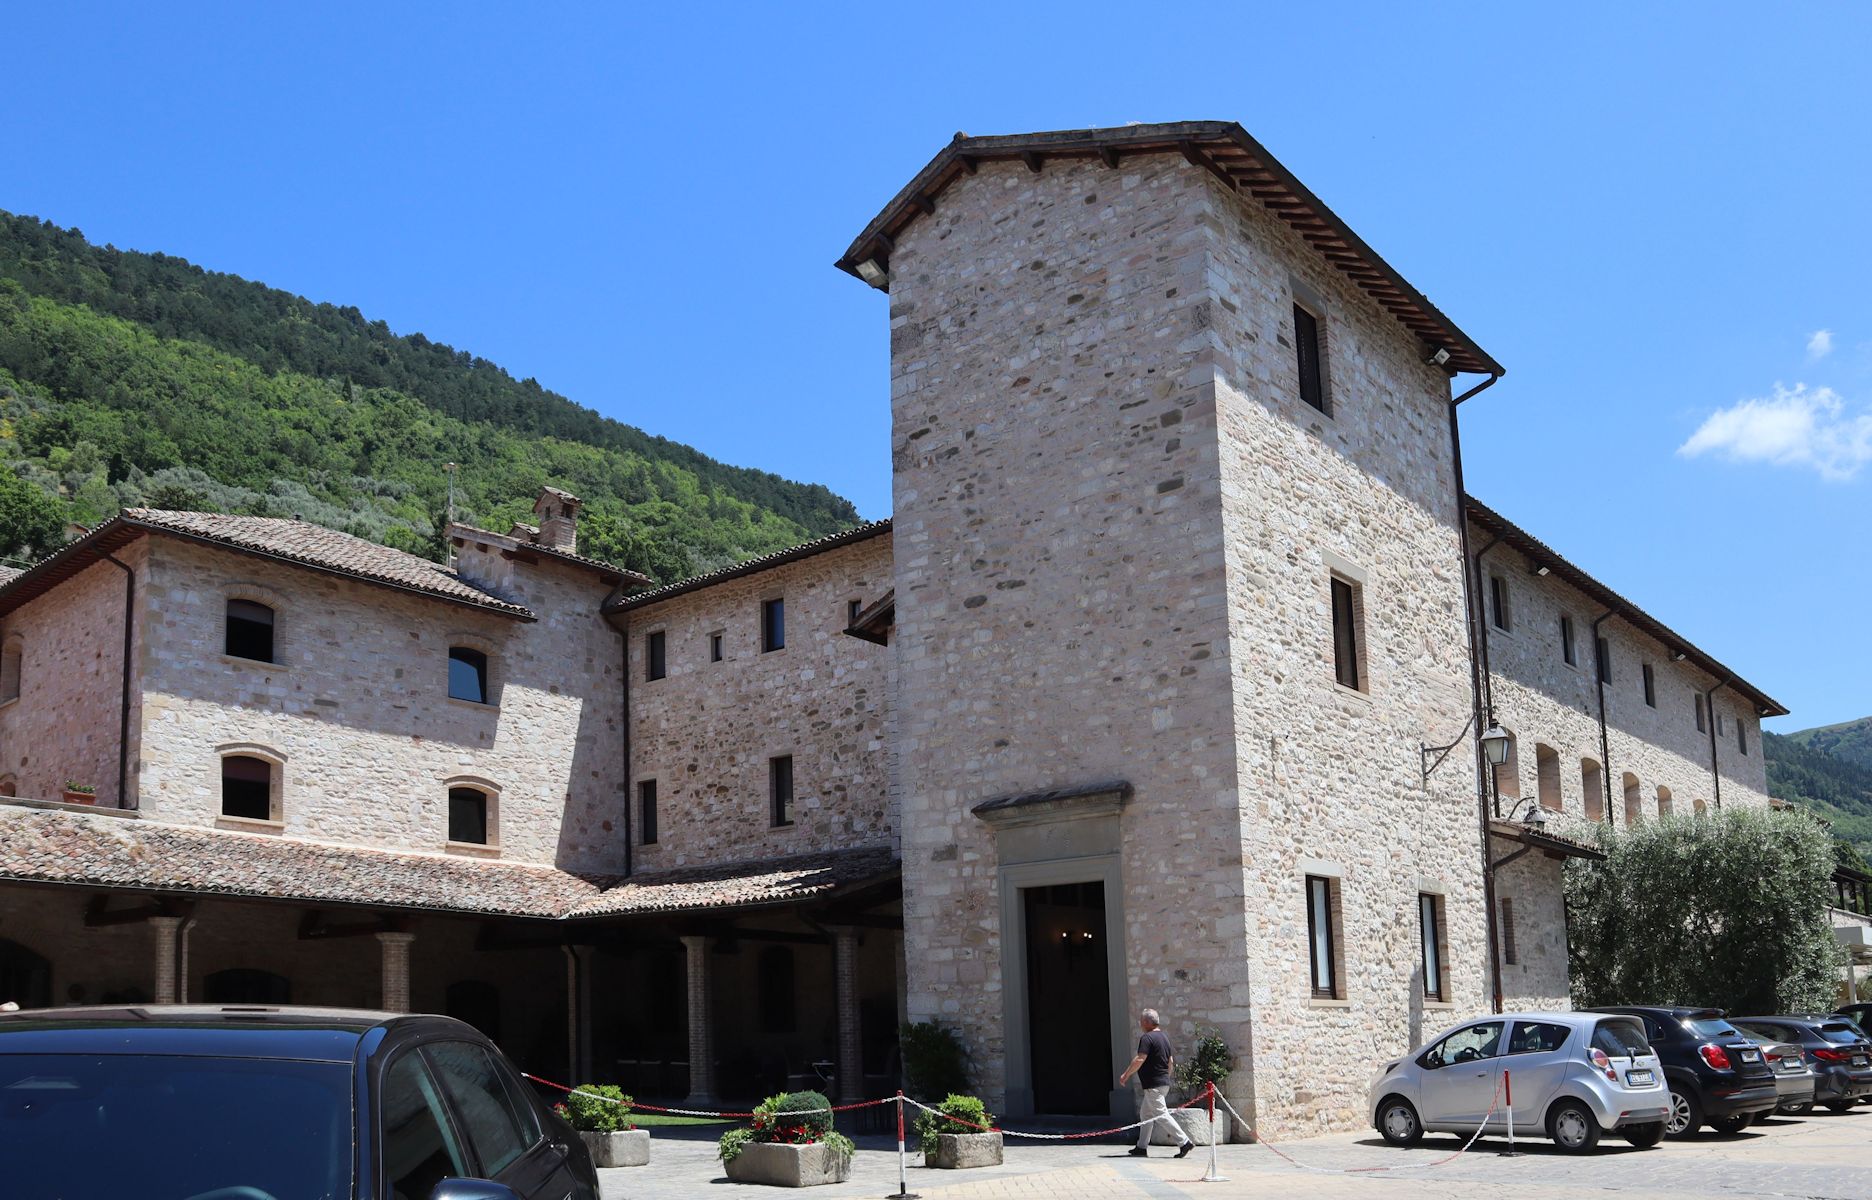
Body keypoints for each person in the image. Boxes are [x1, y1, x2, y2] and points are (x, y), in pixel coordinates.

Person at [1117, 1008, 1194, 1158]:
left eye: (1141, 1020)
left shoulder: (1147, 1038)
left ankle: (1184, 1142)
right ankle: (1141, 1147)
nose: (1140, 1023)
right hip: (1162, 1083)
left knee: (1161, 1115)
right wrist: (1166, 1077)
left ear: (1146, 1022)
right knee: (1146, 1114)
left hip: (1153, 1085)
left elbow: (1140, 1059)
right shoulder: (1164, 1037)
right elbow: (1170, 1061)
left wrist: (1126, 1075)